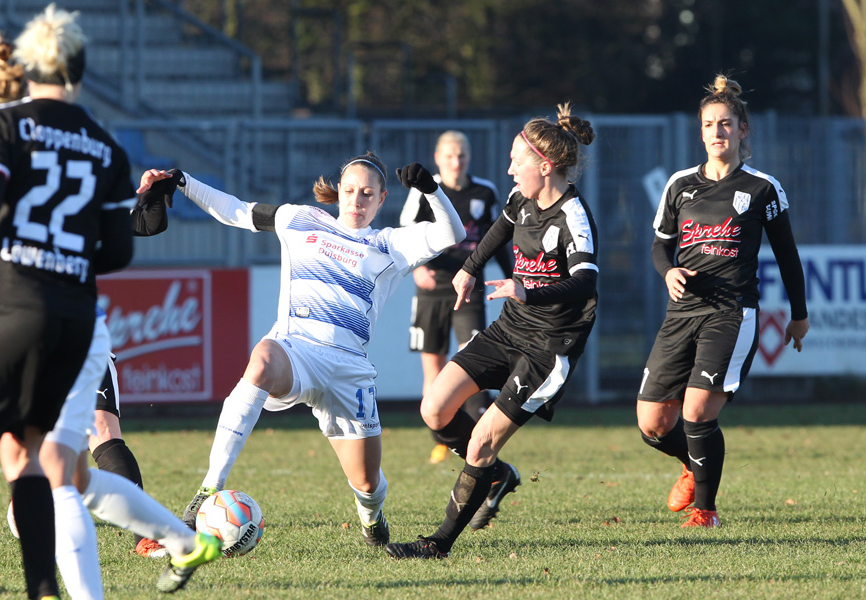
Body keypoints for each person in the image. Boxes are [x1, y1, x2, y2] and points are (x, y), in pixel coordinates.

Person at [0, 5, 215, 598]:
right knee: (50, 468)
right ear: (81, 72)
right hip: (77, 319)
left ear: (27, 69)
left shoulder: (3, 125)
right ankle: (128, 559)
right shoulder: (105, 146)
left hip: (10, 304)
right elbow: (118, 251)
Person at [137, 153, 464, 548]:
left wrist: (432, 190)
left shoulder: (391, 243)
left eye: (366, 194)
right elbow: (236, 211)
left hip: (348, 369)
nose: (356, 201)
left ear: (381, 199)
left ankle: (372, 517)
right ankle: (207, 492)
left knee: (366, 482)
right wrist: (183, 180)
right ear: (338, 193)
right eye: (349, 191)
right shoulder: (300, 219)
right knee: (260, 363)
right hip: (297, 350)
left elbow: (452, 233)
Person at [385, 103, 598, 559]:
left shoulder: (573, 216)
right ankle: (497, 475)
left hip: (548, 348)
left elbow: (586, 281)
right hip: (509, 330)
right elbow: (498, 230)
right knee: (435, 409)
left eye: (516, 160)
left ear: (545, 166)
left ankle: (439, 543)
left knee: (480, 439)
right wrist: (468, 269)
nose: (509, 169)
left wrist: (527, 291)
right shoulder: (522, 199)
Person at [635, 75, 808, 529]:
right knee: (652, 422)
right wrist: (668, 270)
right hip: (680, 316)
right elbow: (659, 246)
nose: (718, 132)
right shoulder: (679, 185)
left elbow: (788, 256)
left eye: (726, 123)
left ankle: (705, 512)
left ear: (743, 130)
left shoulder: (762, 189)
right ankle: (695, 465)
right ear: (700, 132)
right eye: (710, 124)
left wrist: (799, 315)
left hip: (732, 314)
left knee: (695, 413)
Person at [398, 131, 512, 465]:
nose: (456, 161)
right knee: (433, 368)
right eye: (449, 155)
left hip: (470, 286)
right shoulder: (425, 189)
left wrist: (511, 275)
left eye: (461, 155)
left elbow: (498, 239)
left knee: (471, 361)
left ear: (469, 158)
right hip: (433, 287)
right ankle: (442, 438)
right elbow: (406, 234)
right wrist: (416, 268)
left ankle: (479, 437)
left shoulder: (485, 191)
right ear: (437, 158)